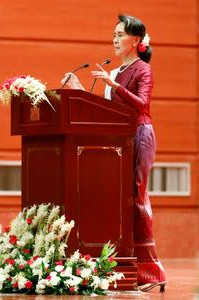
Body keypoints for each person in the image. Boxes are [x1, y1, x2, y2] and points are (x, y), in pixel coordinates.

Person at [61, 14, 166, 292]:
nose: (115, 40)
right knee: (120, 200)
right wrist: (78, 89)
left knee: (137, 197)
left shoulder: (143, 70)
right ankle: (125, 267)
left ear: (136, 41)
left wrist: (114, 85)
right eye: (114, 35)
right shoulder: (115, 73)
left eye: (120, 35)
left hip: (140, 136)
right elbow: (107, 111)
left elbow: (142, 105)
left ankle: (151, 272)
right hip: (119, 141)